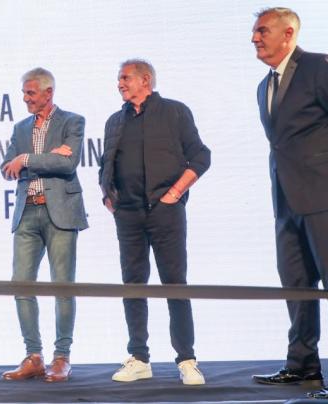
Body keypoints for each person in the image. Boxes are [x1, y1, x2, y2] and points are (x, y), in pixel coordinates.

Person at [250, 7, 328, 400]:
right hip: (286, 198)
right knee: (296, 283)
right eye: (254, 32)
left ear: (288, 34)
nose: (255, 38)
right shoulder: (264, 86)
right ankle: (302, 364)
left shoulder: (320, 66)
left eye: (262, 31)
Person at [99, 59, 210, 386]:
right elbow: (106, 163)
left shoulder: (175, 112)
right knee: (132, 284)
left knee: (175, 283)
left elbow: (201, 157)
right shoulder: (114, 120)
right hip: (128, 214)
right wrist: (108, 196)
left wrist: (175, 193)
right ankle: (139, 358)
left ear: (145, 80)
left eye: (125, 78)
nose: (120, 84)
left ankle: (187, 359)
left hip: (165, 212)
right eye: (119, 79)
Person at [0, 67, 88, 383]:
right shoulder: (20, 127)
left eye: (31, 93)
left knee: (63, 286)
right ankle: (34, 357)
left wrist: (26, 160)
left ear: (48, 93)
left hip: (60, 212)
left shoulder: (72, 121)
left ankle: (61, 358)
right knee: (21, 285)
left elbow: (68, 163)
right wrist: (44, 157)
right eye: (24, 93)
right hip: (26, 212)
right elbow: (6, 167)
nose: (25, 99)